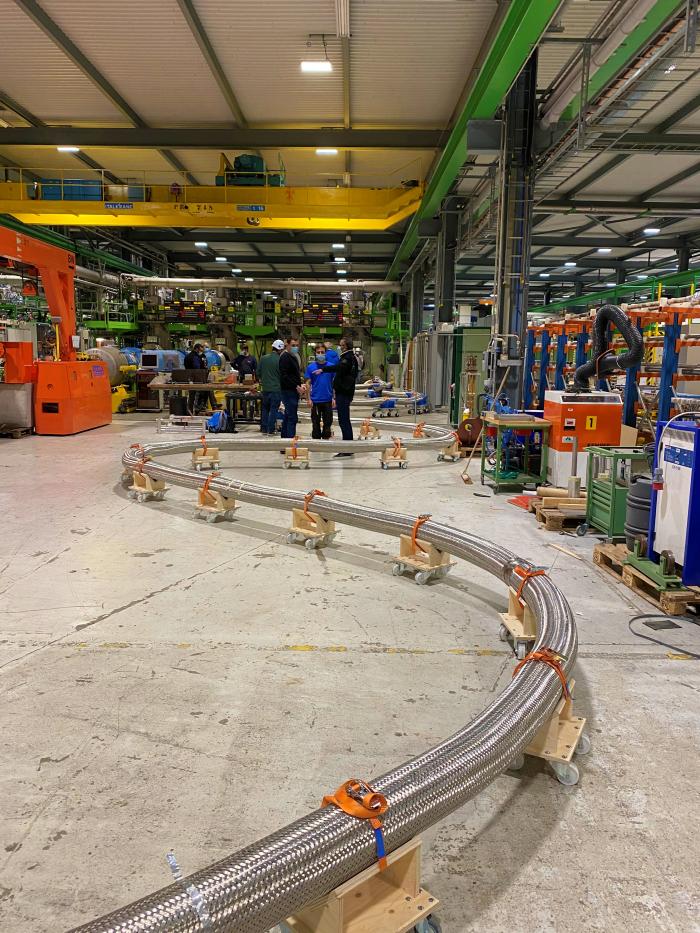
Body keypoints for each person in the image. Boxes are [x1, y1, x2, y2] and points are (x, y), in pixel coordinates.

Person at [318, 336, 359, 456]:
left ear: (345, 346)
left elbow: (339, 368)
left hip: (344, 393)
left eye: (341, 345)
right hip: (345, 392)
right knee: (344, 419)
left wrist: (323, 369)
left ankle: (347, 448)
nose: (339, 347)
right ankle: (348, 447)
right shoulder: (350, 358)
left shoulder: (348, 358)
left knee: (344, 420)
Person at [304, 346, 334, 440]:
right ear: (315, 354)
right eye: (318, 352)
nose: (320, 354)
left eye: (322, 352)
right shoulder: (311, 367)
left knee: (328, 423)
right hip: (315, 400)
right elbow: (308, 383)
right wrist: (308, 399)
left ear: (325, 353)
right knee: (315, 424)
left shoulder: (331, 366)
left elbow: (334, 383)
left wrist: (334, 397)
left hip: (328, 399)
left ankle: (325, 443)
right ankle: (316, 444)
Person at [278, 336, 304, 440]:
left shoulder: (292, 356)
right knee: (292, 417)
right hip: (288, 391)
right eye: (293, 345)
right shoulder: (285, 357)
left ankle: (285, 442)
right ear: (287, 345)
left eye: (297, 345)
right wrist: (296, 386)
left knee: (288, 416)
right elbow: (284, 376)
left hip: (292, 391)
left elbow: (293, 375)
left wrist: (300, 384)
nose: (295, 347)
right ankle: (290, 443)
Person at [258, 339, 283, 435]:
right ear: (280, 349)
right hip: (276, 389)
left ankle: (264, 429)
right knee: (273, 410)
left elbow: (258, 372)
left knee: (265, 409)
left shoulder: (263, 358)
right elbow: (282, 375)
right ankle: (271, 430)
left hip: (265, 389)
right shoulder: (280, 360)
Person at [183, 342, 209, 413]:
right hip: (196, 378)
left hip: (189, 377)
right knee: (197, 394)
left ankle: (189, 410)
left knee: (191, 395)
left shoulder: (187, 356)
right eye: (200, 350)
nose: (201, 351)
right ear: (196, 349)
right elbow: (197, 368)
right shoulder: (195, 357)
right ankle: (197, 409)